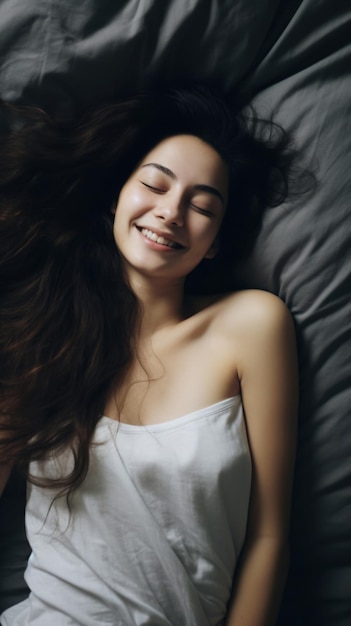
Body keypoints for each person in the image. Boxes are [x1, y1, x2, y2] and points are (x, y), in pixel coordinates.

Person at [0, 85, 298, 625]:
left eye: (202, 205)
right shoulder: (45, 335)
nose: (171, 212)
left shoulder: (250, 324)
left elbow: (269, 533)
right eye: (154, 186)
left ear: (217, 241)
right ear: (117, 198)